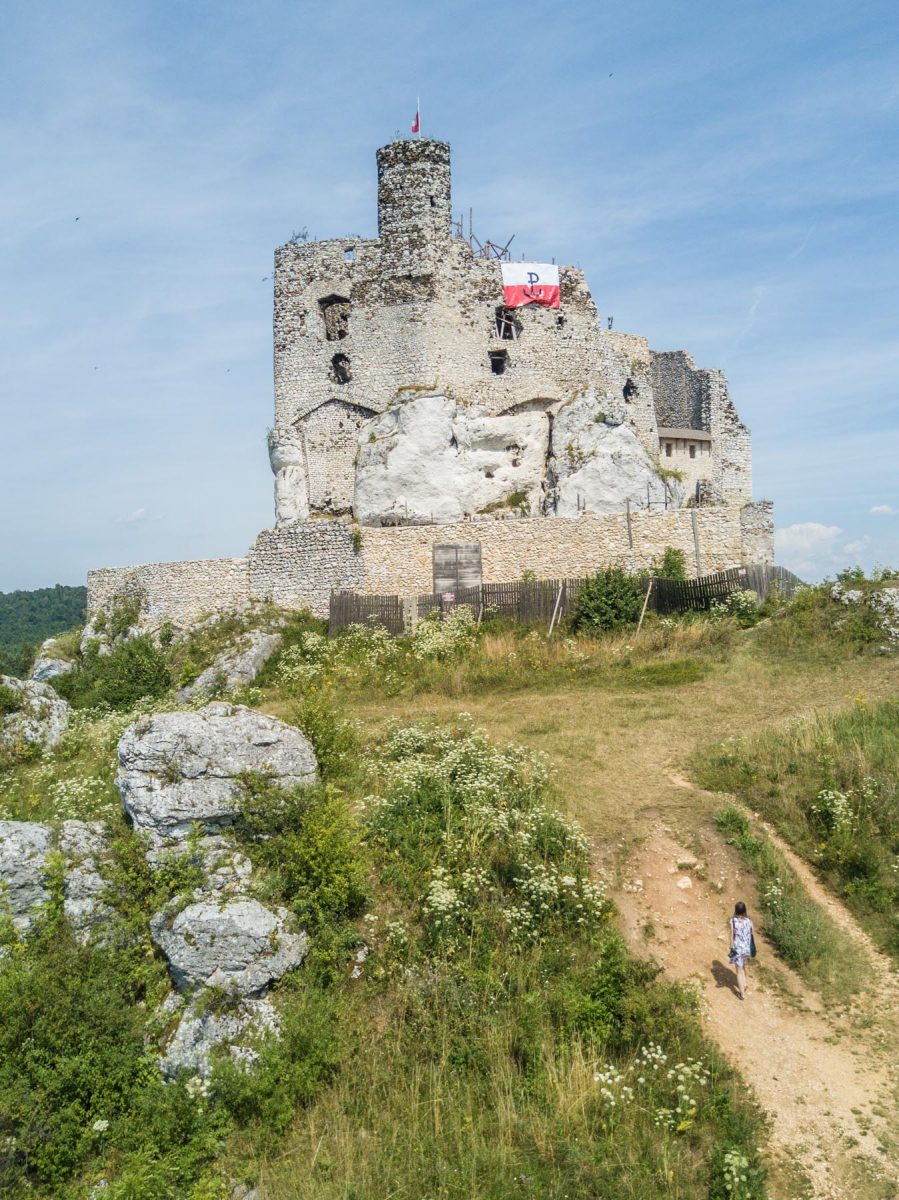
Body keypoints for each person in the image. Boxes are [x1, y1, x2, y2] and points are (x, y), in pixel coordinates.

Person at [728, 901, 754, 1000]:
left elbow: (732, 935)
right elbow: (752, 935)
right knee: (743, 966)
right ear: (744, 910)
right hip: (747, 949)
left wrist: (731, 947)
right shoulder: (749, 921)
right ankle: (745, 984)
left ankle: (742, 994)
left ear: (736, 910)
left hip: (738, 949)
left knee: (738, 971)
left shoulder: (733, 921)